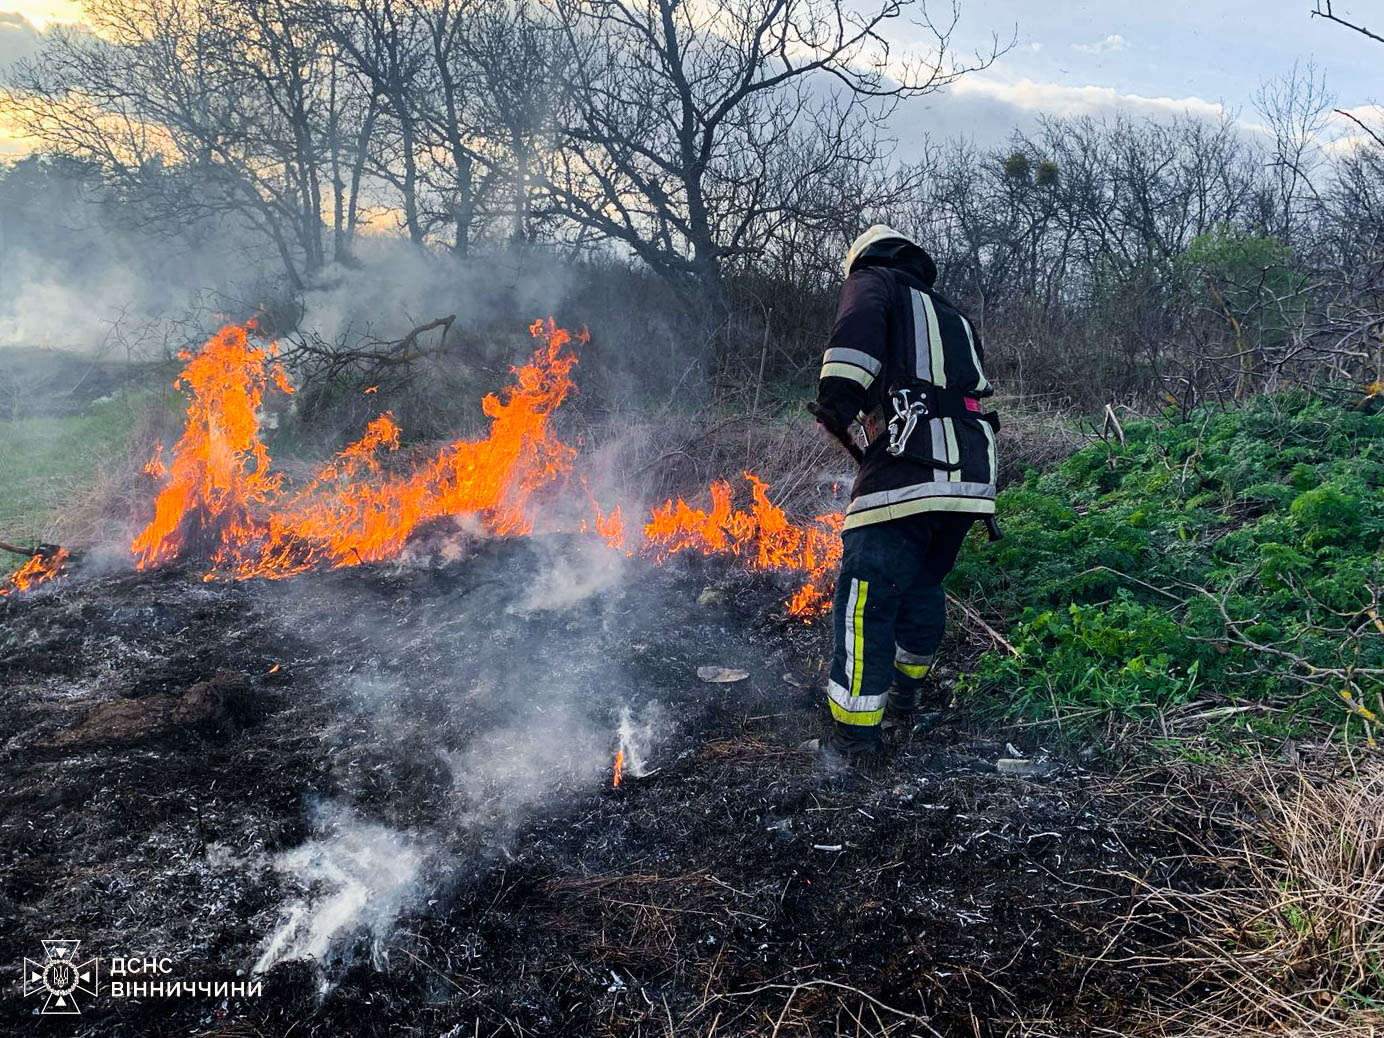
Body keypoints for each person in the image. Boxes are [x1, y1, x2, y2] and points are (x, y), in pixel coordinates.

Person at [803, 225, 1000, 762]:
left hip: (912, 460)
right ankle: (905, 694)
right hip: (972, 474)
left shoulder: (874, 280)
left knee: (864, 598)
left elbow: (855, 338)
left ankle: (853, 738)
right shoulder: (953, 313)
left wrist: (837, 400)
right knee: (920, 583)